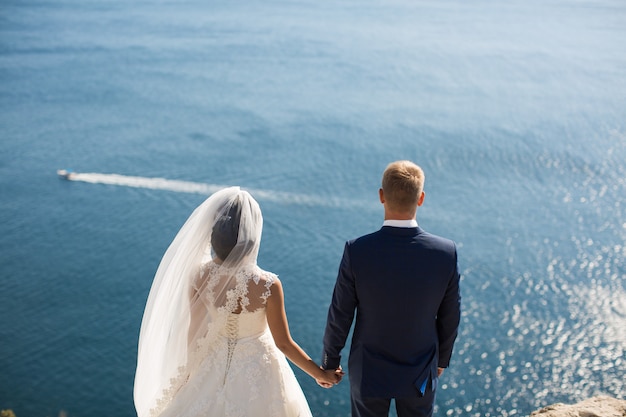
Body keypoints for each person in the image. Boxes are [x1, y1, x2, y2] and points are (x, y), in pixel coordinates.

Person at [134, 187, 340, 417]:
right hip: (259, 369)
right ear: (251, 241)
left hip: (213, 362)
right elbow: (283, 343)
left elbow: (195, 332)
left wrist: (189, 374)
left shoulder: (199, 276)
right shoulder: (268, 285)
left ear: (213, 237)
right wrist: (319, 374)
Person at [321, 161, 461, 417]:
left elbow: (340, 313)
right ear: (421, 199)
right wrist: (441, 361)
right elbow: (450, 316)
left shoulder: (357, 251)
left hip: (369, 369)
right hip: (420, 369)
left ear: (381, 196)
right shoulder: (445, 252)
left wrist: (330, 362)